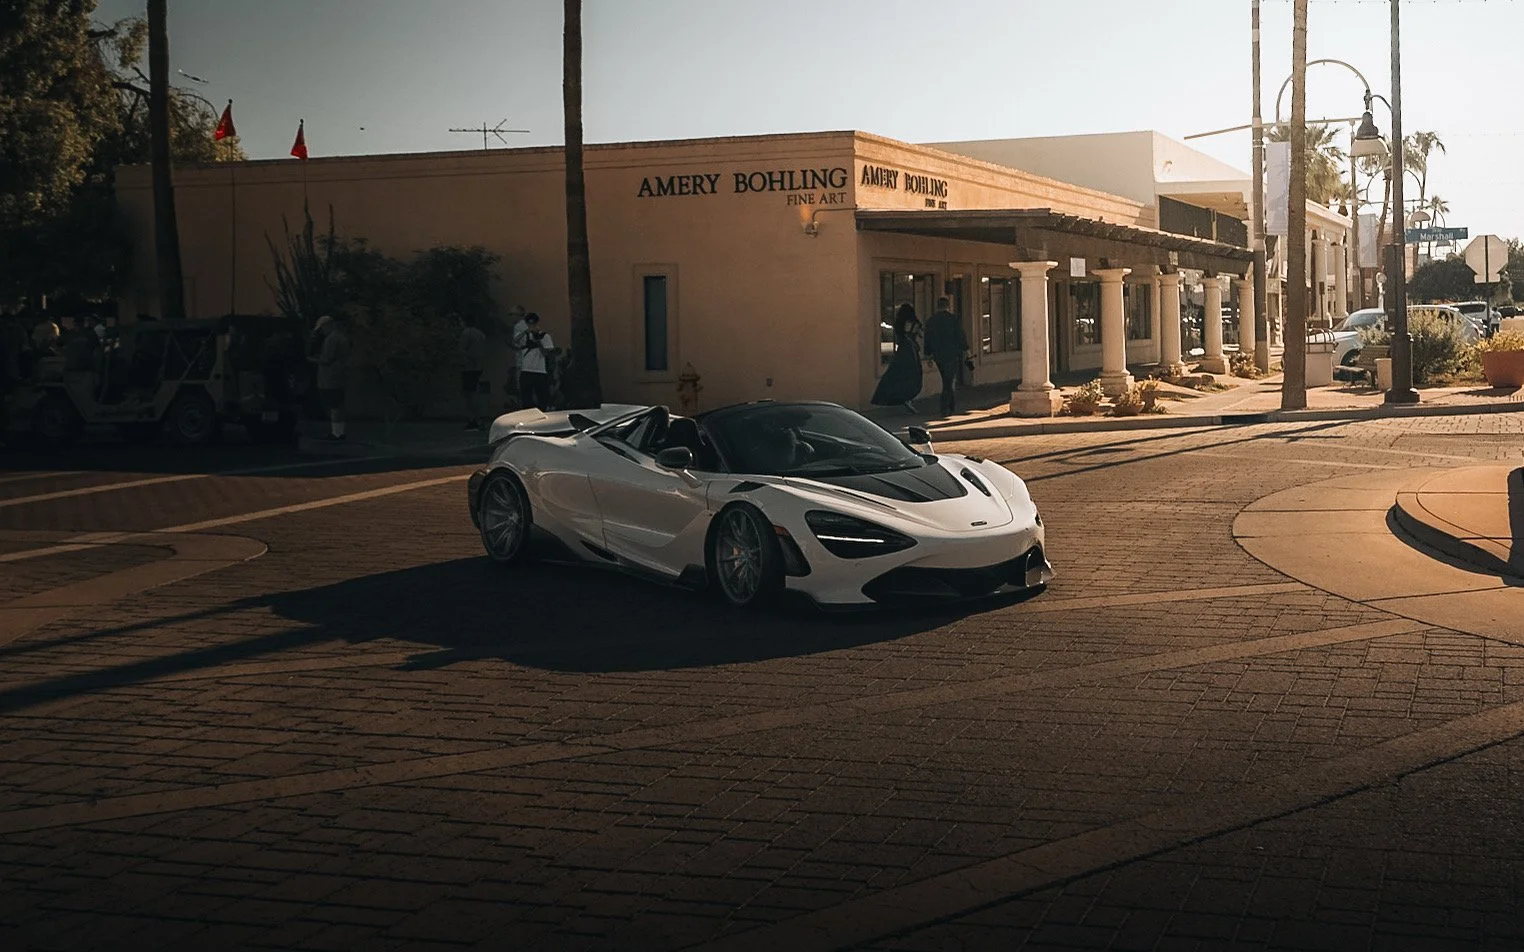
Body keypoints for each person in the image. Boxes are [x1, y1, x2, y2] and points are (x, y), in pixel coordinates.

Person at [870, 303, 923, 412]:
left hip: (903, 350)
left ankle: (892, 398)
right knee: (914, 374)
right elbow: (921, 334)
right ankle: (908, 398)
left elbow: (898, 337)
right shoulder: (914, 323)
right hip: (912, 350)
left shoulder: (899, 323)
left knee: (895, 374)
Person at [922, 296, 970, 416]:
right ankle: (945, 407)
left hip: (938, 355)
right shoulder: (953, 319)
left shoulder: (931, 321)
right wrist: (967, 350)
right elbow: (960, 336)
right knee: (948, 381)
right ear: (948, 306)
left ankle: (951, 405)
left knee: (947, 378)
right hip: (952, 354)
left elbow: (927, 339)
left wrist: (928, 355)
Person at [309, 313, 350, 441]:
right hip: (340, 375)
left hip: (331, 377)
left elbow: (327, 359)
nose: (322, 332)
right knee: (339, 406)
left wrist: (312, 359)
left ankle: (336, 433)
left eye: (322, 329)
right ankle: (339, 431)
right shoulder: (342, 337)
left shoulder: (331, 339)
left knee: (333, 407)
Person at [517, 312, 554, 410]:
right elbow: (514, 342)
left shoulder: (545, 336)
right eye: (529, 324)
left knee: (542, 399)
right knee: (526, 400)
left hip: (540, 371)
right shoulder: (524, 336)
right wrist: (525, 332)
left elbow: (546, 353)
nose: (532, 326)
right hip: (526, 371)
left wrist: (538, 342)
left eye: (533, 323)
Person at [457, 316, 488, 430]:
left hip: (469, 367)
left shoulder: (466, 333)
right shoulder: (481, 334)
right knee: (475, 392)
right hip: (478, 367)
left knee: (469, 394)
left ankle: (474, 419)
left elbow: (461, 350)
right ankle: (479, 419)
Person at [506, 304, 529, 406]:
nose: (510, 317)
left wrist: (509, 344)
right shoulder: (526, 325)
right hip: (528, 362)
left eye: (512, 314)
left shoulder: (519, 326)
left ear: (518, 315)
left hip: (522, 362)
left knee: (522, 388)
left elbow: (521, 346)